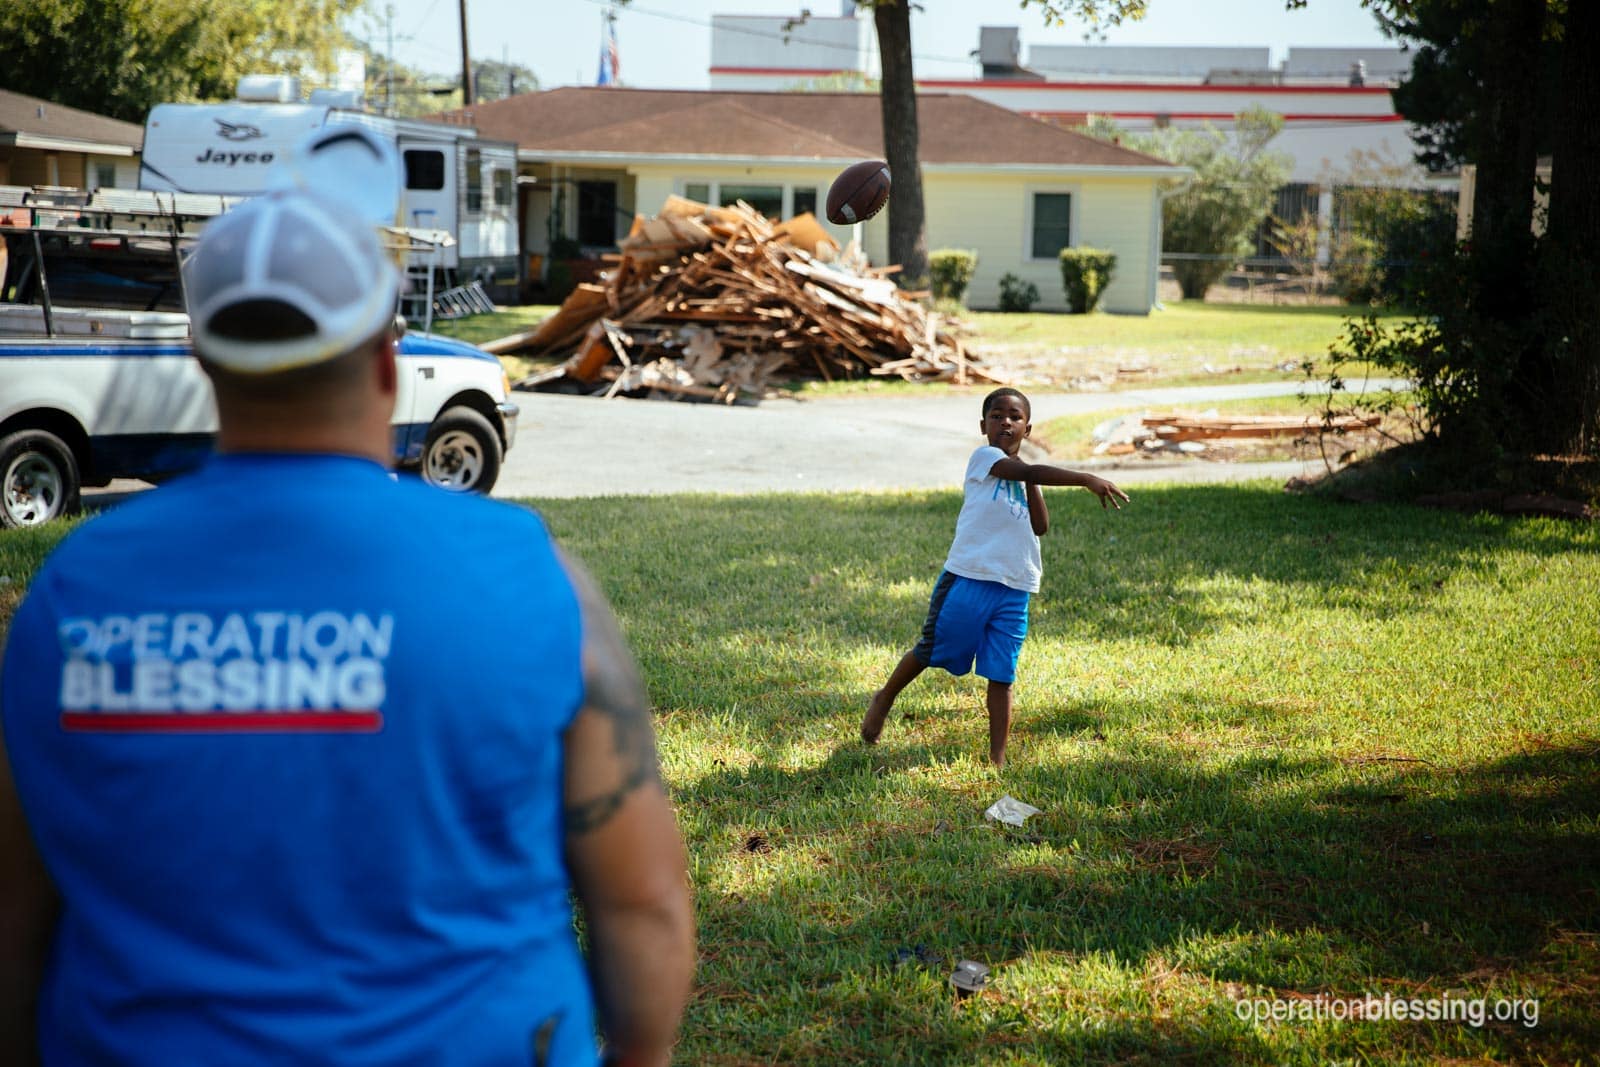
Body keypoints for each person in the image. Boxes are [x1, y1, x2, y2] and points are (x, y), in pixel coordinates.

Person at [0, 187, 693, 1066]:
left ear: (203, 360)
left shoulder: (75, 593)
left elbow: (17, 922)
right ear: (384, 359)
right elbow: (642, 903)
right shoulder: (528, 575)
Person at [860, 387, 1128, 768]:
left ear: (1028, 428)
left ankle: (997, 758)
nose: (1006, 421)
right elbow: (1029, 468)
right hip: (969, 578)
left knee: (1002, 673)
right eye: (998, 415)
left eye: (1015, 417)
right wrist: (1085, 478)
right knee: (930, 650)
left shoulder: (1024, 475)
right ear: (983, 425)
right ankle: (884, 697)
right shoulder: (984, 458)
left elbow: (1040, 526)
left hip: (1016, 586)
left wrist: (1031, 481)